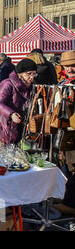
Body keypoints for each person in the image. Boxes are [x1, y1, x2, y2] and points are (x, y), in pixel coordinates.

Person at [0, 58, 37, 144]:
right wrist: (11, 114)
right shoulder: (7, 84)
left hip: (20, 127)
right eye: (29, 74)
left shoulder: (32, 86)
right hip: (3, 125)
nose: (32, 77)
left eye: (34, 74)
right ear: (20, 74)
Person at [53, 50, 75, 215]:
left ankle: (71, 204)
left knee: (73, 166)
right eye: (67, 66)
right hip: (66, 130)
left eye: (73, 65)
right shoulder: (63, 84)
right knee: (67, 164)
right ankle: (68, 197)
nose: (70, 69)